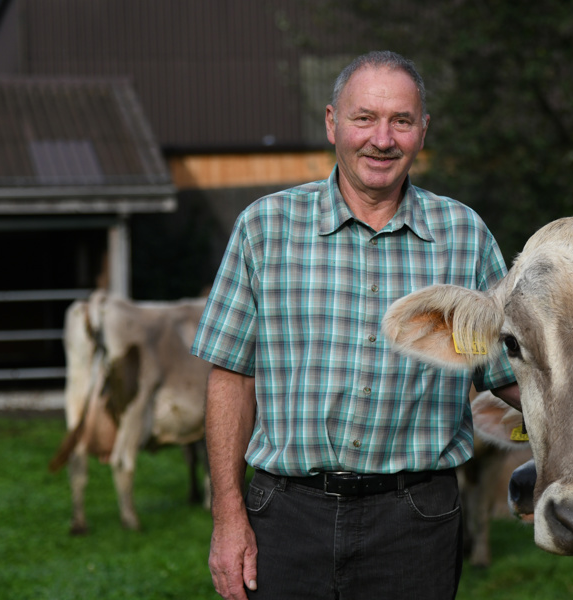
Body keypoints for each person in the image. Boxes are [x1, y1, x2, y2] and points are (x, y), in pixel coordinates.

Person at [192, 50, 520, 600]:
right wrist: (228, 516)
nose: (382, 139)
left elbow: (510, 374)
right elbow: (231, 378)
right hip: (286, 513)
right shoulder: (264, 228)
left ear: (423, 130)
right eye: (364, 118)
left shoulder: (466, 236)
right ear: (331, 123)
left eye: (402, 121)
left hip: (416, 519)